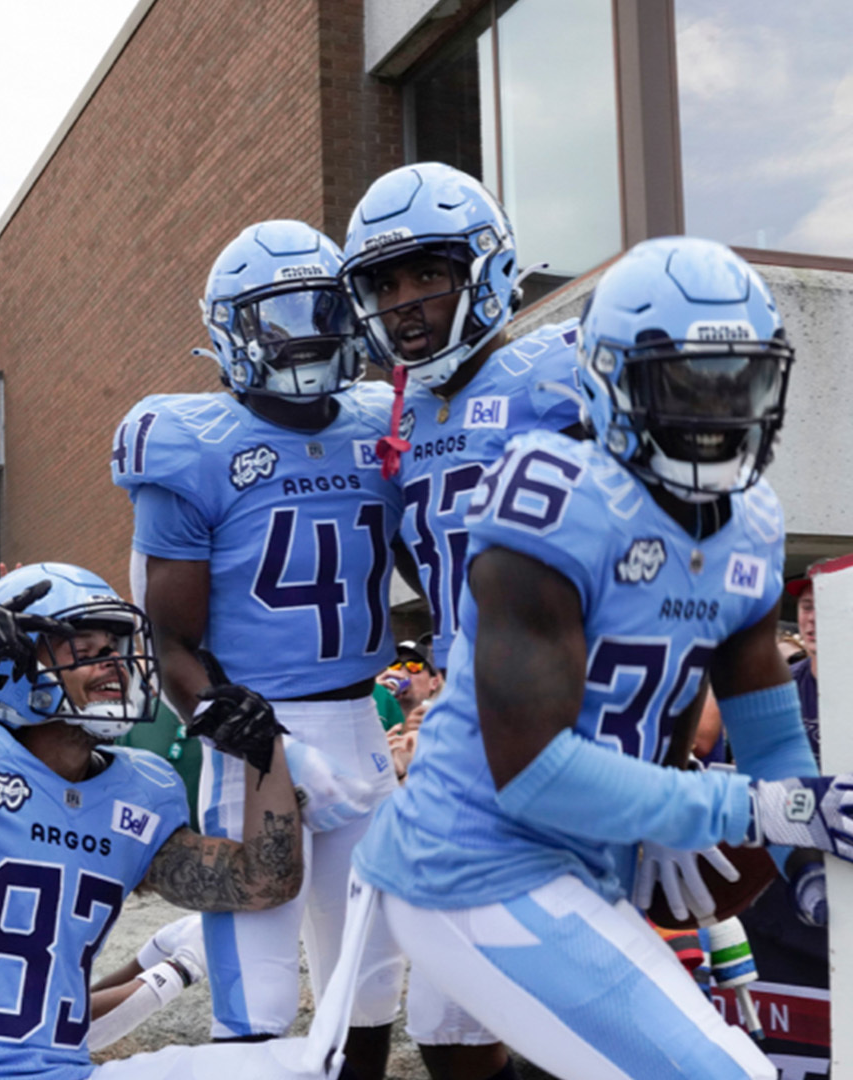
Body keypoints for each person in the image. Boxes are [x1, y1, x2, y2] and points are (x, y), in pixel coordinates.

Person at [349, 237, 853, 1080]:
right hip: (475, 862)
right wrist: (736, 811)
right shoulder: (551, 495)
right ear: (610, 380)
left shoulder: (752, 522)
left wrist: (808, 871)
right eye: (683, 383)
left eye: (740, 383)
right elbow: (533, 773)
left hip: (592, 855)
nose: (716, 412)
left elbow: (770, 743)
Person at [112, 221, 406, 1078]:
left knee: (368, 985)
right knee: (262, 1004)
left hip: (363, 719)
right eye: (277, 318)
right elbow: (170, 640)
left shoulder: (381, 420)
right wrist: (244, 734)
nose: (306, 333)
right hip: (256, 740)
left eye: (319, 310)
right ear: (230, 332)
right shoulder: (191, 442)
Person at [0, 562, 331, 1079]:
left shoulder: (140, 792)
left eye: (114, 649)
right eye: (86, 648)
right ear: (7, 662)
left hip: (66, 1070)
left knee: (298, 1067)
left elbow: (261, 882)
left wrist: (264, 753)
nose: (115, 665)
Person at [339, 161, 587, 1080]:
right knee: (447, 1012)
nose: (405, 302)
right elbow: (426, 566)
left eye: (428, 274)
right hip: (461, 725)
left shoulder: (562, 371)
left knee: (575, 978)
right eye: (386, 284)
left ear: (484, 268)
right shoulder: (409, 413)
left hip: (568, 709)